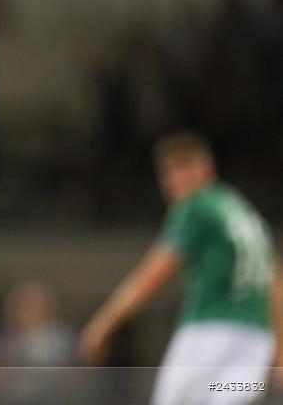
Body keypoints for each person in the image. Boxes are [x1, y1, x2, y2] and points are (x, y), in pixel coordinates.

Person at [80, 131, 282, 405]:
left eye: (183, 169)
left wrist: (105, 321)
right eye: (169, 173)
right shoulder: (243, 212)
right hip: (255, 342)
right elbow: (274, 280)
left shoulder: (195, 207)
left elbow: (154, 272)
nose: (175, 181)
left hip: (209, 334)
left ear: (206, 169)